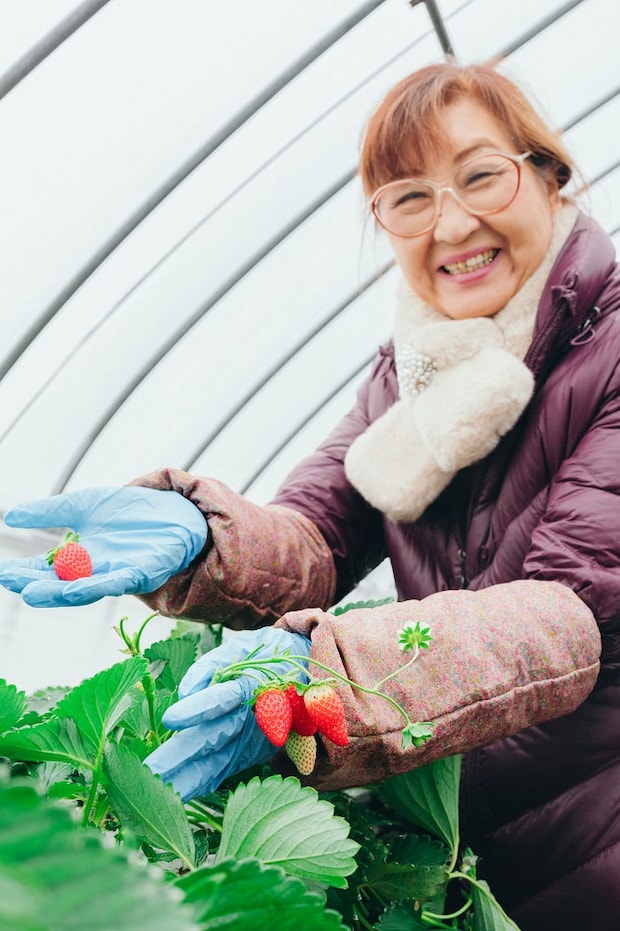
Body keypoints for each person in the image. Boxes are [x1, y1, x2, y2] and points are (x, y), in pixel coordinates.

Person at [1, 60, 619, 930]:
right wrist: (204, 532)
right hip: (456, 854)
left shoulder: (614, 344)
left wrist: (334, 673)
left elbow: (569, 611)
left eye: (480, 175)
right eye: (408, 199)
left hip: (598, 844)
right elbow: (318, 536)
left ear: (550, 175)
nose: (452, 224)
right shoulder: (412, 374)